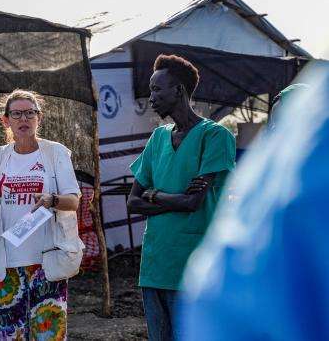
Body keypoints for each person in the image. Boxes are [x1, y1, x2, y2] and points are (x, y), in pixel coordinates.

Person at [179, 64, 328, 341]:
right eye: (274, 121)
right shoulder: (267, 172)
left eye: (286, 120)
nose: (278, 129)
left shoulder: (308, 172)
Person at [126, 55, 236, 341]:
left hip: (192, 264)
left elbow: (193, 203)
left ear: (179, 91)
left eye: (156, 90)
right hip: (155, 264)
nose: (151, 98)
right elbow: (133, 202)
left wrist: (154, 195)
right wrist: (172, 198)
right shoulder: (158, 138)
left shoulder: (214, 136)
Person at [0, 90, 81, 340]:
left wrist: (52, 200)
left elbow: (73, 201)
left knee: (49, 335)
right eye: (16, 114)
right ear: (6, 120)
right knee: (9, 335)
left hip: (47, 262)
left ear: (39, 118)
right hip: (7, 264)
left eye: (29, 113)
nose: (23, 119)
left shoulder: (55, 153)